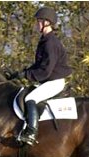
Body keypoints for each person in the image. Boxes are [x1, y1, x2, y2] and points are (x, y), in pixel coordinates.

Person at [7, 7, 72, 146]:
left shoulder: (50, 43)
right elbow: (38, 65)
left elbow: (45, 71)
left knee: (31, 98)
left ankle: (31, 133)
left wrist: (26, 75)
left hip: (54, 81)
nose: (37, 24)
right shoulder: (45, 40)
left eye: (39, 21)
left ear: (47, 23)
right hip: (49, 80)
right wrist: (19, 74)